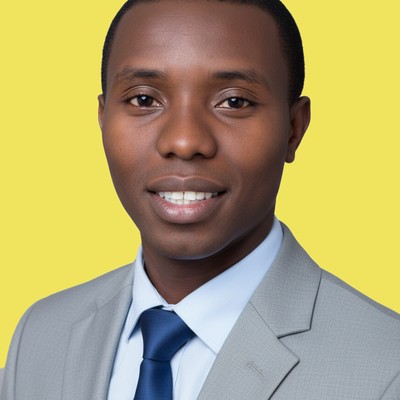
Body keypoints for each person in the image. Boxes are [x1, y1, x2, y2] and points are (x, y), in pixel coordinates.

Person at [2, 0, 400, 399]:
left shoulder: (387, 369)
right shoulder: (39, 335)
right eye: (144, 100)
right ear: (103, 119)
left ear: (293, 128)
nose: (184, 141)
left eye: (234, 101)